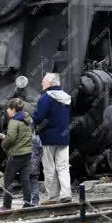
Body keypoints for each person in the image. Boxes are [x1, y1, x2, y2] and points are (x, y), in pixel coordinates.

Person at [32, 73, 71, 205]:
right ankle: (66, 194)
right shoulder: (66, 97)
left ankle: (53, 196)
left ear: (50, 83)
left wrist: (33, 117)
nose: (41, 84)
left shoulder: (45, 98)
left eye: (43, 81)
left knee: (49, 167)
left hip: (48, 137)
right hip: (64, 137)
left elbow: (39, 117)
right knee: (63, 166)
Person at [0, 98, 33, 210]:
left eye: (8, 108)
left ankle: (7, 205)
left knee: (8, 179)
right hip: (27, 154)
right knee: (25, 179)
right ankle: (27, 203)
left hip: (16, 155)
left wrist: (3, 143)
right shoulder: (27, 120)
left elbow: (11, 139)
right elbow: (21, 137)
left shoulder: (13, 122)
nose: (7, 110)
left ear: (13, 110)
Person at [29, 123, 43, 206]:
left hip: (26, 165)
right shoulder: (38, 139)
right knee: (34, 182)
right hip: (35, 165)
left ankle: (27, 201)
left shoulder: (24, 139)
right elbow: (41, 151)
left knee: (26, 183)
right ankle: (35, 201)